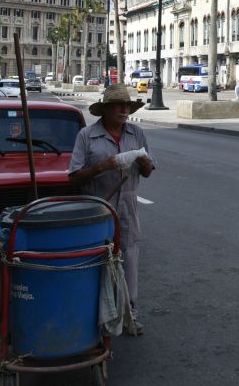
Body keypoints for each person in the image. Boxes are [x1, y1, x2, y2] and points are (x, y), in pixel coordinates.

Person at [69, 84, 155, 335]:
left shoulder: (137, 133)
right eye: (119, 105)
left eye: (127, 106)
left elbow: (149, 172)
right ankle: (92, 313)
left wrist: (143, 160)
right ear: (105, 109)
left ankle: (129, 311)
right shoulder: (87, 136)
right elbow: (73, 178)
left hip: (127, 205)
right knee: (96, 258)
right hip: (96, 206)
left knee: (128, 257)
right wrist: (101, 166)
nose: (124, 110)